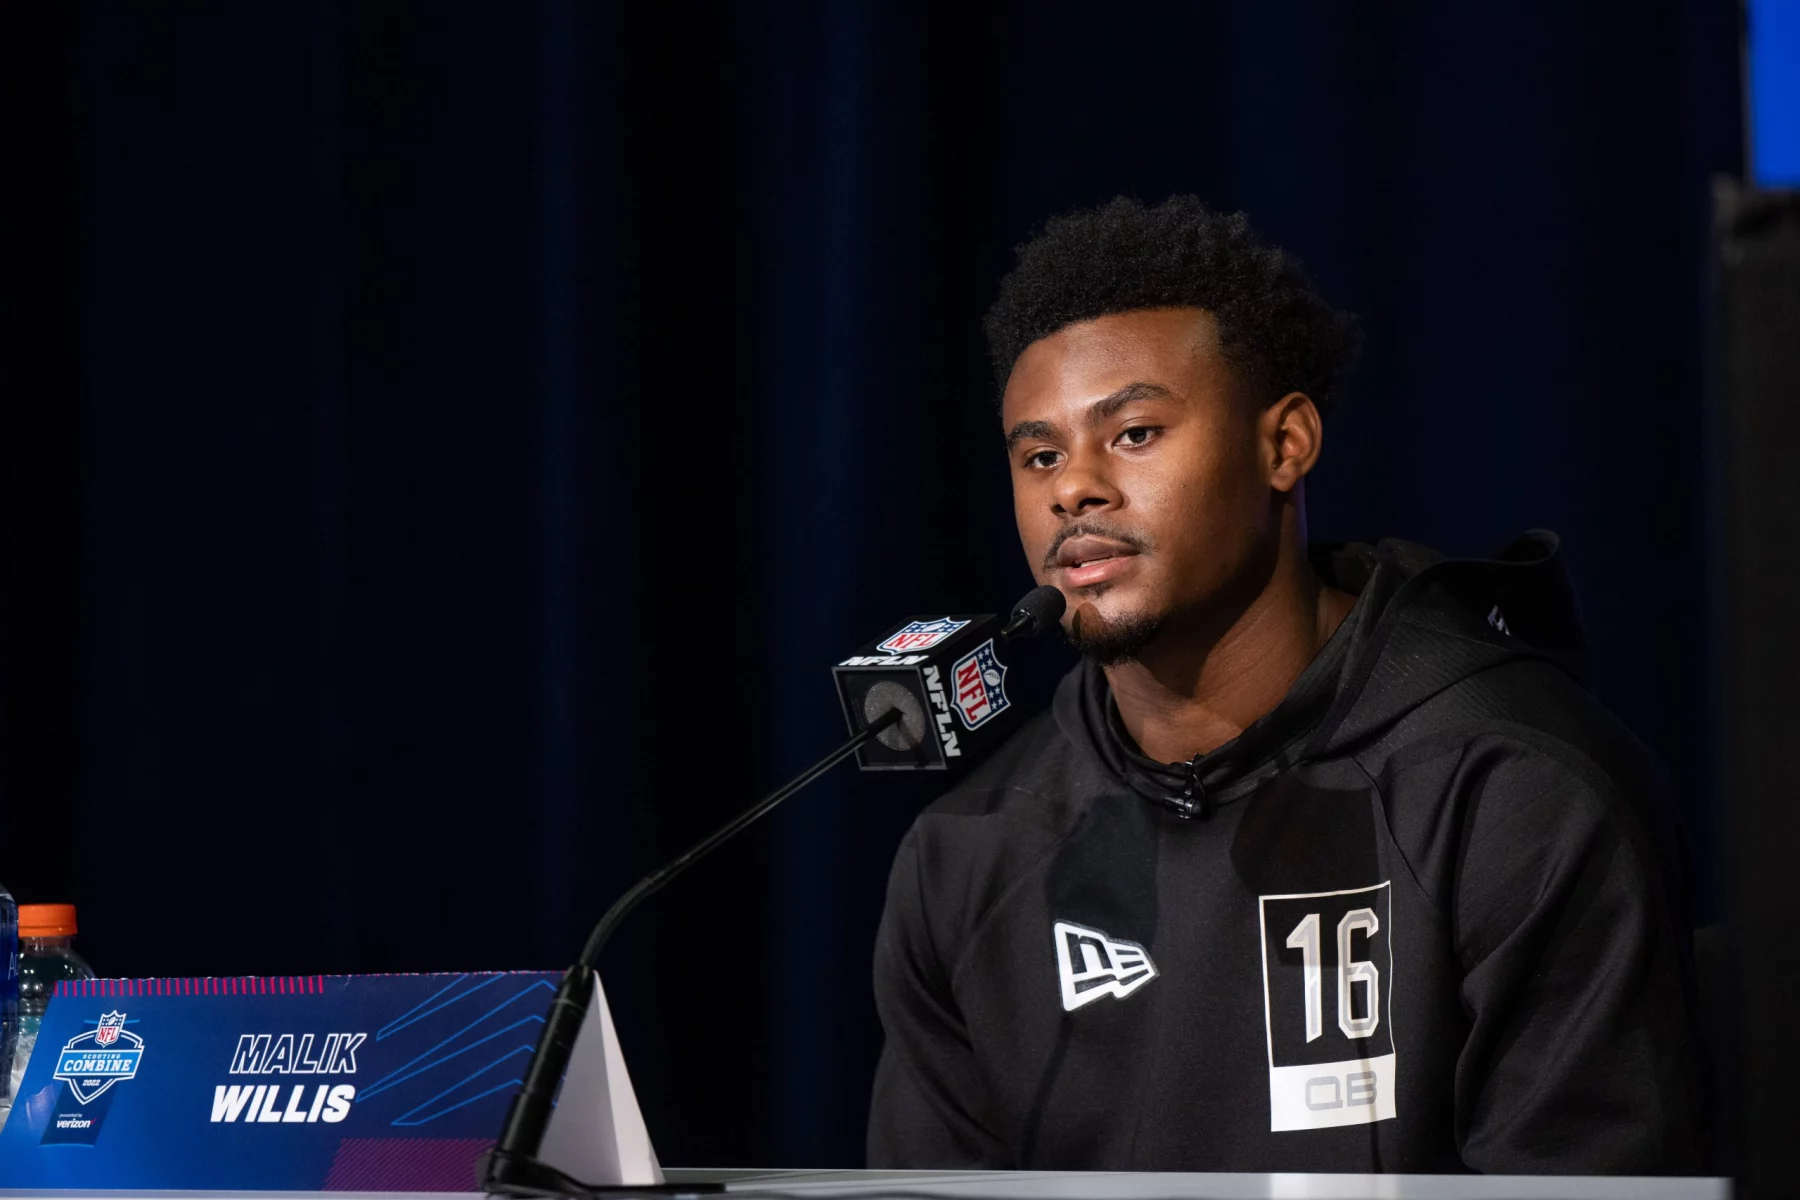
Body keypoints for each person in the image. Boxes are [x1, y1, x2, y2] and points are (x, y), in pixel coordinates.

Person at [866, 196, 1703, 1174]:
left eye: (1132, 433)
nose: (1072, 488)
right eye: (1038, 454)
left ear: (1284, 445)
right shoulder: (967, 857)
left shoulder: (1513, 794)